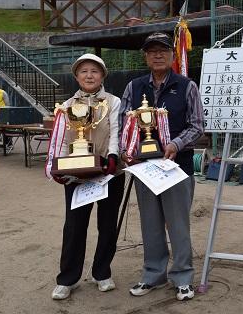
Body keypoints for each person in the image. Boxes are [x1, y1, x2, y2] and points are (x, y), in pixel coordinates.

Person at [119, 32, 204, 301]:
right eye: (152, 51)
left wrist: (176, 144)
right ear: (145, 56)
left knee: (178, 224)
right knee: (150, 223)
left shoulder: (186, 86)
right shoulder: (134, 87)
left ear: (172, 55)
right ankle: (153, 274)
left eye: (163, 50)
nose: (157, 55)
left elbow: (197, 125)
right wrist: (126, 150)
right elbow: (124, 122)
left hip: (177, 166)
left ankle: (182, 277)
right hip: (145, 167)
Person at [46, 53, 124, 300]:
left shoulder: (113, 102)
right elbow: (60, 138)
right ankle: (67, 278)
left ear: (102, 75)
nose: (89, 75)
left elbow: (115, 131)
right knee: (74, 226)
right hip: (77, 175)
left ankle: (102, 273)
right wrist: (57, 168)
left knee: (107, 225)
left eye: (94, 71)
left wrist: (112, 156)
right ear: (76, 76)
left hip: (109, 172)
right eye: (84, 71)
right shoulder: (67, 106)